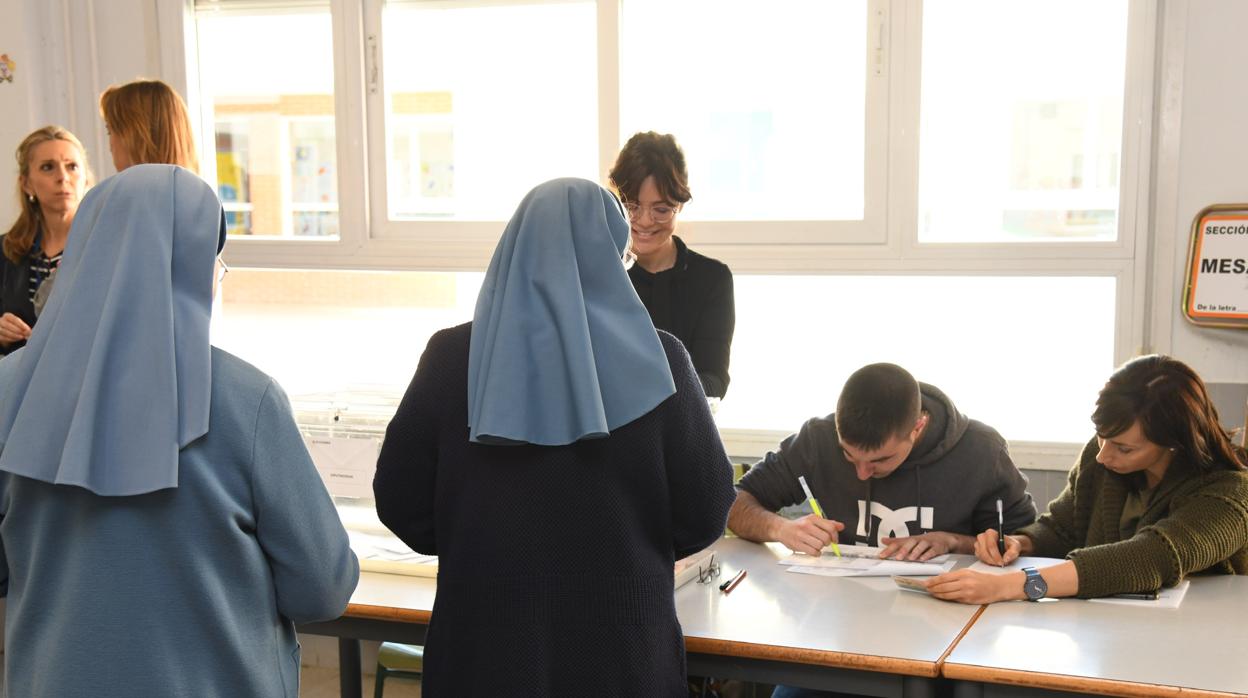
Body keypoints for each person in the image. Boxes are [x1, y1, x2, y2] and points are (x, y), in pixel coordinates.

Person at [0, 164, 358, 696]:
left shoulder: (8, 387)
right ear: (193, 265)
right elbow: (321, 591)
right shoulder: (247, 399)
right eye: (216, 260)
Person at [374, 177, 735, 697]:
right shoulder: (665, 363)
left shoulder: (451, 359)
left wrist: (474, 541)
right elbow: (706, 509)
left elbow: (399, 501)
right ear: (614, 256)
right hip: (623, 656)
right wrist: (628, 548)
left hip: (483, 655)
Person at [927, 355, 1248, 604]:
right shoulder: (1104, 458)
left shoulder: (1229, 494)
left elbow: (1153, 556)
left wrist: (1011, 585)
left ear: (1174, 442)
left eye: (1124, 448)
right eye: (1101, 437)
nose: (1102, 456)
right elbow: (1062, 528)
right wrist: (1019, 543)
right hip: (1102, 628)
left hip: (1194, 643)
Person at [729, 363, 1036, 560]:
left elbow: (1025, 543)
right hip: (835, 615)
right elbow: (733, 505)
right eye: (849, 455)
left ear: (917, 428)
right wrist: (781, 529)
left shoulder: (982, 451)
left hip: (949, 624)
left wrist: (953, 542)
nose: (863, 474)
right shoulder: (817, 439)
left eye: (879, 460)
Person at [609, 131, 735, 399]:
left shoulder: (712, 279)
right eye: (631, 206)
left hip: (683, 428)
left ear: (680, 205)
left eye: (661, 209)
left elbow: (714, 379)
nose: (643, 221)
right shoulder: (601, 274)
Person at [0, 126, 92, 353]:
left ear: (86, 179)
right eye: (48, 167)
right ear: (27, 183)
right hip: (22, 381)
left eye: (72, 166)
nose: (63, 177)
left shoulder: (102, 246)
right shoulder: (4, 250)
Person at [99, 78, 199, 172]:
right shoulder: (199, 189)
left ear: (136, 137)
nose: (110, 147)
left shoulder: (109, 190)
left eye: (110, 131)